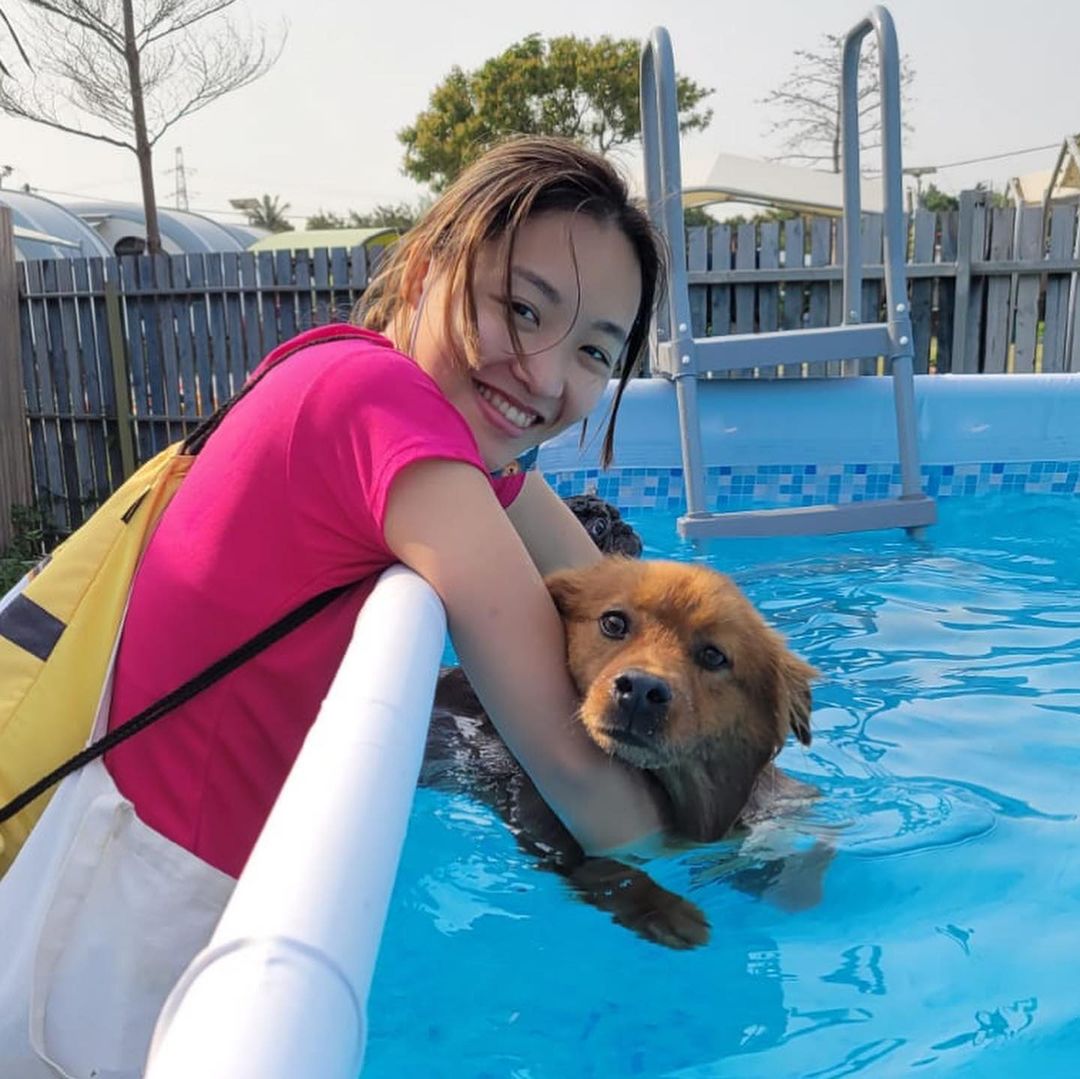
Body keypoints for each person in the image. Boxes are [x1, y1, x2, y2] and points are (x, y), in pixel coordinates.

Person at [0, 136, 666, 1077]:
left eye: (595, 350)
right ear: (433, 265)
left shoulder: (351, 378)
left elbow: (620, 595)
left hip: (143, 895)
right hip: (131, 936)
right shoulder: (381, 406)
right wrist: (758, 861)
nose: (547, 375)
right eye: (519, 308)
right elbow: (572, 767)